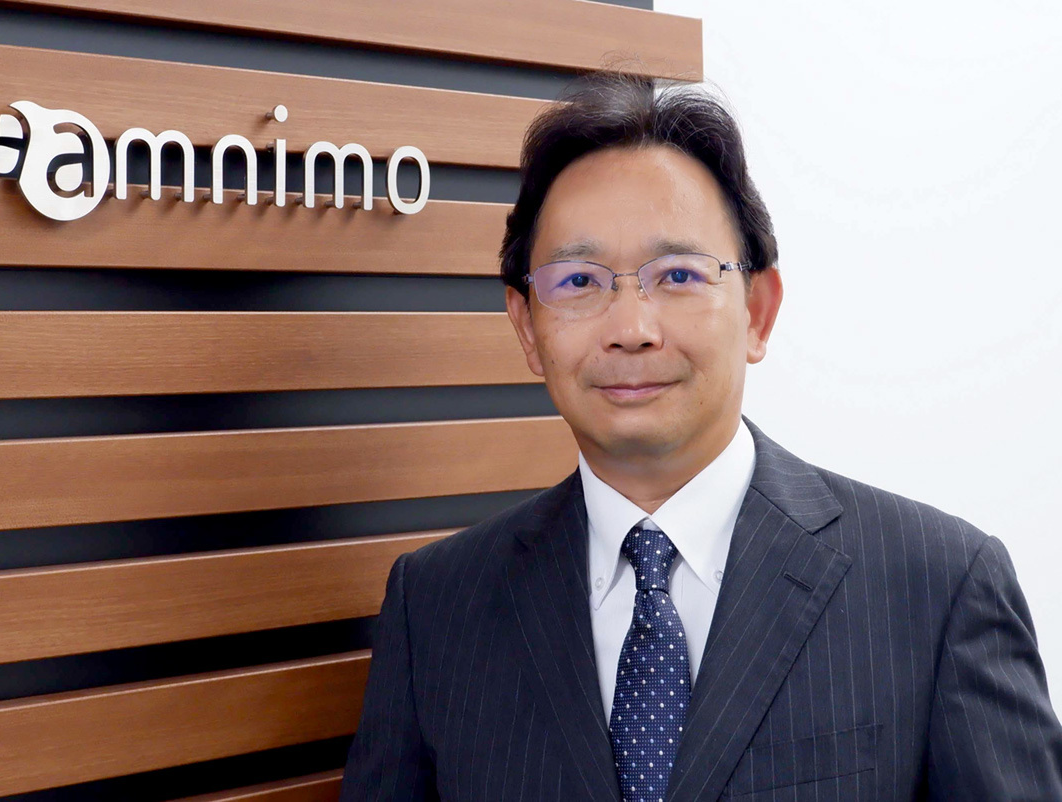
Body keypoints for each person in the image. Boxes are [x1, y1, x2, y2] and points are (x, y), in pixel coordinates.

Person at [339, 74, 1062, 801]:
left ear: (757, 312)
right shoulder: (436, 609)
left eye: (678, 274)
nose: (631, 329)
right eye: (579, 282)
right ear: (527, 327)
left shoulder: (939, 587)